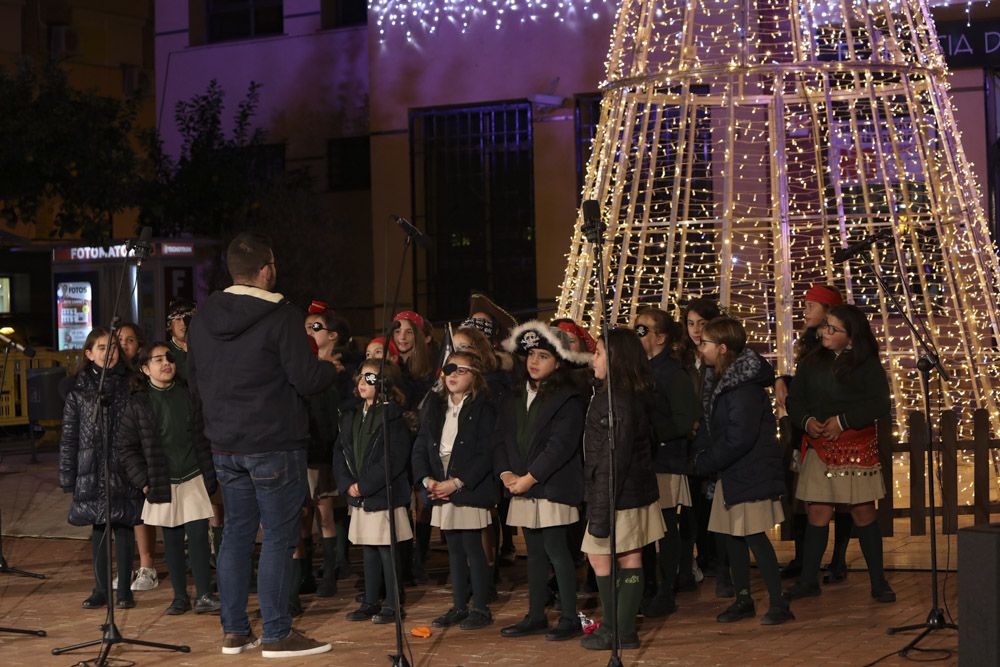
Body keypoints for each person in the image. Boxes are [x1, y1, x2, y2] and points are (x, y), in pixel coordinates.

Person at [187, 232, 335, 658]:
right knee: (278, 535)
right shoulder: (282, 316)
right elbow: (306, 380)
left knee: (234, 533)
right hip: (273, 442)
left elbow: (195, 383)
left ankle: (234, 631)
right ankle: (276, 632)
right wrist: (330, 368)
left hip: (225, 444)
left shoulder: (202, 319)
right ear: (267, 269)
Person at [784, 304, 896, 604]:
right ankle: (808, 580)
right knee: (818, 512)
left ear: (851, 336)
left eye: (833, 329)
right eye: (825, 326)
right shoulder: (810, 363)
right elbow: (795, 401)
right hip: (819, 446)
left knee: (863, 511)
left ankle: (878, 582)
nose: (825, 332)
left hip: (855, 447)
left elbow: (880, 404)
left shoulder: (866, 364)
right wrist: (808, 421)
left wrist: (842, 422)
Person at [692, 317, 792, 625]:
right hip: (731, 472)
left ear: (722, 348)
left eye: (705, 343)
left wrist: (705, 462)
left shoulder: (742, 388)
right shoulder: (720, 380)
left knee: (754, 537)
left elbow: (740, 437)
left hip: (749, 471)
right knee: (732, 537)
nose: (700, 347)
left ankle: (778, 603)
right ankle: (744, 598)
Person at [495, 321, 590, 641]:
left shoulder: (568, 397)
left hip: (551, 486)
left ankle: (568, 617)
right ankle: (536, 614)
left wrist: (530, 477)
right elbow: (503, 439)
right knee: (533, 553)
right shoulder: (513, 395)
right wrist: (507, 474)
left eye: (543, 356)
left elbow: (560, 446)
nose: (534, 361)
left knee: (557, 550)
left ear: (559, 361)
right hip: (521, 484)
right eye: (531, 355)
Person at [116, 343, 220, 615]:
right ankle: (179, 597)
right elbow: (126, 448)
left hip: (193, 476)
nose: (166, 364)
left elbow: (203, 436)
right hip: (162, 479)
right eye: (158, 359)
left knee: (198, 536)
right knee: (172, 539)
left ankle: (205, 594)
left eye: (169, 358)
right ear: (144, 368)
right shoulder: (138, 403)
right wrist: (144, 481)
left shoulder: (188, 394)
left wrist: (209, 472)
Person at [580, 329, 665, 650]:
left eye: (599, 352)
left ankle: (619, 628)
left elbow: (614, 458)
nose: (593, 358)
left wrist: (601, 507)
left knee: (606, 556)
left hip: (621, 492)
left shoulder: (618, 401)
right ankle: (619, 627)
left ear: (616, 359)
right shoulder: (613, 394)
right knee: (620, 556)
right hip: (627, 490)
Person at [412, 351, 498, 630]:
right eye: (449, 369)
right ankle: (459, 605)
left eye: (461, 370)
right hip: (440, 483)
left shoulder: (483, 407)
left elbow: (486, 452)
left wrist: (458, 481)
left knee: (473, 547)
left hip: (467, 485)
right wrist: (426, 479)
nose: (453, 375)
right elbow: (422, 444)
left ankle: (481, 607)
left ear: (475, 376)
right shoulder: (435, 407)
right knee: (453, 548)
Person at [59, 327, 143, 610]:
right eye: (102, 348)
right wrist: (67, 475)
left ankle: (124, 590)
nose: (109, 353)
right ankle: (101, 588)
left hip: (123, 466)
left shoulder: (131, 384)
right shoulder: (78, 390)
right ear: (88, 353)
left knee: (123, 523)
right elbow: (69, 436)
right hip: (91, 467)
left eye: (113, 348)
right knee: (98, 525)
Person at [774, 285, 854, 583]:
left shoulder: (842, 345)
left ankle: (838, 559)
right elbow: (805, 382)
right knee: (803, 495)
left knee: (843, 498)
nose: (804, 311)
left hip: (834, 430)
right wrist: (782, 379)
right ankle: (803, 557)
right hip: (805, 430)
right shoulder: (807, 343)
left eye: (811, 305)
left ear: (828, 311)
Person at [333, 360, 413, 625]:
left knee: (386, 550)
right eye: (361, 376)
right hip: (359, 493)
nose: (362, 381)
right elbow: (340, 451)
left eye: (370, 377)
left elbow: (393, 460)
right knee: (368, 548)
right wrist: (347, 483)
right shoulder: (352, 415)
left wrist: (365, 485)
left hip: (382, 493)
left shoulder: (392, 417)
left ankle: (393, 602)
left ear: (385, 383)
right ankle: (370, 600)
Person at [634, 307, 698, 617]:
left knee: (665, 527)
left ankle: (666, 588)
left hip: (665, 460)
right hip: (644, 461)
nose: (638, 334)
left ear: (660, 337)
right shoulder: (637, 370)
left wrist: (649, 432)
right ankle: (647, 585)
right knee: (645, 527)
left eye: (643, 329)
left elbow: (684, 421)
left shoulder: (673, 374)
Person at [681, 297, 731, 597]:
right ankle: (703, 556)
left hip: (712, 440)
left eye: (701, 323)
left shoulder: (720, 359)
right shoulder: (684, 358)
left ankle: (720, 560)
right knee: (695, 504)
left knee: (716, 502)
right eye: (690, 323)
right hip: (690, 441)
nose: (696, 330)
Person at [303, 308, 350, 596]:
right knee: (303, 514)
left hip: (327, 449)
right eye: (306, 327)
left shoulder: (341, 371)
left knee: (325, 512)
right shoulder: (305, 367)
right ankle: (305, 572)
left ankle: (331, 572)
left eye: (315, 326)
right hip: (305, 448)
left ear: (332, 335)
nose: (309, 330)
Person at [116, 322, 160, 593]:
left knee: (142, 511)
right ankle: (124, 567)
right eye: (119, 340)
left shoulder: (140, 377)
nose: (123, 345)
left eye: (130, 340)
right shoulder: (106, 375)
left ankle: (147, 566)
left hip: (140, 449)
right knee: (123, 513)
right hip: (116, 452)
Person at [166, 299, 195, 381]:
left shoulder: (203, 348)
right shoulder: (164, 350)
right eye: (178, 319)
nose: (183, 323)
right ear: (170, 324)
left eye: (188, 318)